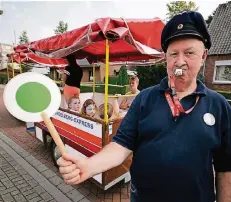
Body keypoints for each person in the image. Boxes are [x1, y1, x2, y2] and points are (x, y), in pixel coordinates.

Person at [57, 11, 231, 202]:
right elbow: (121, 146)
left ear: (203, 55)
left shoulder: (219, 105)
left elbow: (225, 169)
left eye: (189, 53)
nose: (180, 62)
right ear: (166, 57)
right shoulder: (145, 99)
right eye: (173, 54)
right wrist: (89, 166)